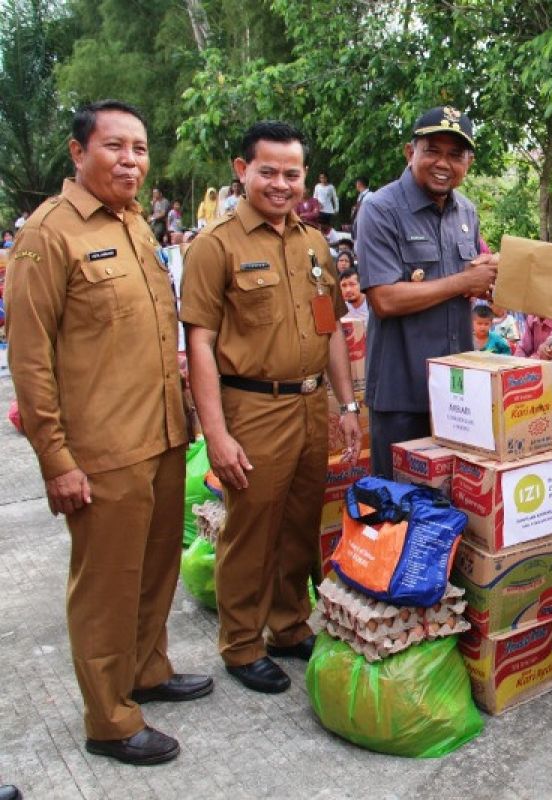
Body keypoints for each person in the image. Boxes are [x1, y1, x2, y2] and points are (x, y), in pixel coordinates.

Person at [6, 99, 210, 766]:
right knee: (105, 588)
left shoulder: (134, 226)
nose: (131, 160)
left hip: (161, 436)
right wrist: (56, 460)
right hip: (101, 452)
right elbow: (29, 360)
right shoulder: (49, 235)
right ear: (78, 152)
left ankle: (147, 670)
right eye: (115, 146)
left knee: (156, 570)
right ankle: (110, 719)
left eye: (140, 149)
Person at [180, 121, 361, 695]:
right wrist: (216, 434)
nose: (281, 184)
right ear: (242, 170)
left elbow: (329, 326)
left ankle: (287, 627)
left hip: (311, 405)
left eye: (292, 173)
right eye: (269, 172)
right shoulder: (216, 245)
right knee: (251, 530)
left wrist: (346, 402)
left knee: (300, 524)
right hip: (252, 407)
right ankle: (240, 643)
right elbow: (200, 344)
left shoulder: (312, 243)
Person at [355, 106, 498, 476]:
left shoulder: (465, 212)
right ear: (410, 152)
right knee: (399, 509)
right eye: (432, 151)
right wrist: (464, 282)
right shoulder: (380, 209)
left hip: (458, 396)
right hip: (402, 394)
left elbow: (468, 281)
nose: (443, 163)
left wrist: (489, 280)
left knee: (453, 509)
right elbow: (383, 299)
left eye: (456, 155)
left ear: (468, 162)